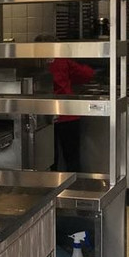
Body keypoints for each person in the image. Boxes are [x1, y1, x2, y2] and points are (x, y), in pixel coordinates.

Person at [38, 35, 96, 172]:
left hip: (44, 118)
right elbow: (86, 74)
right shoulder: (62, 61)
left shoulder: (34, 64)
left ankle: (51, 183)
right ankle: (74, 183)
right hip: (67, 114)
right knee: (72, 158)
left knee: (49, 158)